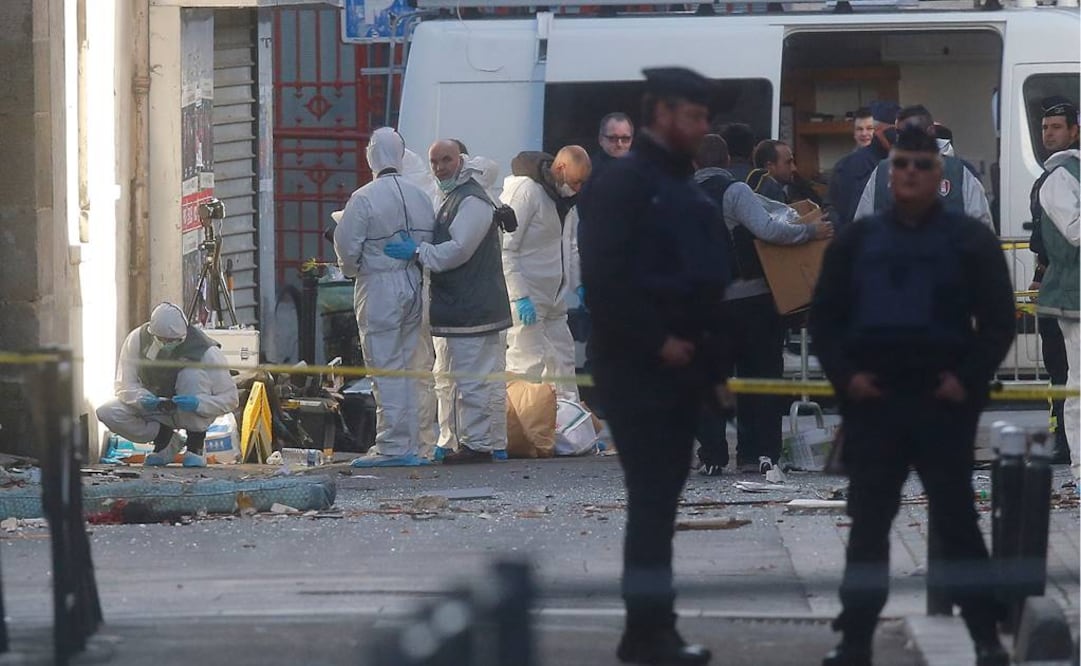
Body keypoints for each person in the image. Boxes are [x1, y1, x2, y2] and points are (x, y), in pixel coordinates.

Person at [809, 125, 1015, 666]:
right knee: (869, 527)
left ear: (939, 174)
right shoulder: (859, 240)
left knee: (958, 525)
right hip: (874, 401)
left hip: (941, 402)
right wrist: (847, 380)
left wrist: (965, 380)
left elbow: (998, 321)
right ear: (890, 169)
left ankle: (987, 641)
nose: (909, 174)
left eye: (921, 166)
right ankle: (854, 641)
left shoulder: (969, 240)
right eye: (900, 164)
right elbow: (825, 319)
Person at [579, 66, 732, 666]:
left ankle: (652, 629)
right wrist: (657, 341)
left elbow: (704, 274)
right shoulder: (623, 183)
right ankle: (648, 632)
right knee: (651, 501)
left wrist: (711, 365)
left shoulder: (676, 182)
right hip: (638, 368)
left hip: (681, 365)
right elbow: (607, 279)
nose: (701, 127)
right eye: (693, 116)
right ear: (664, 114)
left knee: (662, 501)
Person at [693, 134, 833, 475]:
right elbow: (769, 230)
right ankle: (758, 454)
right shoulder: (736, 191)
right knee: (761, 378)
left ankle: (712, 456)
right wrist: (809, 233)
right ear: (728, 161)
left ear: (694, 164)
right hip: (751, 301)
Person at [384, 140, 513, 464]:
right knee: (460, 379)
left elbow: (458, 251)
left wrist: (417, 252)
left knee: (471, 380)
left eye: (446, 160)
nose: (440, 167)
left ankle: (478, 445)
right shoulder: (455, 196)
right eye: (435, 161)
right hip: (462, 307)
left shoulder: (471, 200)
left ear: (461, 160)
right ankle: (466, 442)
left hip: (473, 308)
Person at [333, 127, 437, 467]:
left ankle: (393, 445)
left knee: (385, 366)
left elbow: (347, 247)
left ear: (370, 156)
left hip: (378, 286)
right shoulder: (420, 195)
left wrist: (354, 268)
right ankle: (415, 442)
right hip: (415, 281)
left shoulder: (363, 197)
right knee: (411, 365)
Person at [96, 303, 239, 468]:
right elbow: (123, 384)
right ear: (152, 333)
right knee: (107, 412)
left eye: (173, 341)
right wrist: (140, 398)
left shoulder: (206, 351)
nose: (167, 344)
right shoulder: (137, 340)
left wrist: (199, 403)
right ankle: (165, 440)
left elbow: (230, 399)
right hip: (156, 408)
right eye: (163, 340)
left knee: (190, 374)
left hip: (189, 411)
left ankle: (195, 445)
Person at [501, 146, 591, 402]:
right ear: (561, 169)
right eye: (576, 181)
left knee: (563, 363)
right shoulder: (527, 191)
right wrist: (520, 296)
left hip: (553, 297)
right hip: (528, 296)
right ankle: (521, 434)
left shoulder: (564, 201)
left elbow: (570, 246)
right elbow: (506, 248)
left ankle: (569, 430)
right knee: (526, 365)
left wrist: (578, 284)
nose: (579, 188)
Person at [1029, 97, 1079, 466]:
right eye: (1045, 128)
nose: (1048, 134)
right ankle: (1068, 450)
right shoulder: (1051, 179)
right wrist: (1038, 276)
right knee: (1065, 378)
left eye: (1056, 127)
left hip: (1068, 291)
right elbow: (1057, 239)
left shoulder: (1066, 174)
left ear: (1074, 131)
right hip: (1063, 294)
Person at [854, 105, 993, 227]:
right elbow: (861, 230)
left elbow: (980, 225)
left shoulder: (959, 173)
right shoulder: (881, 173)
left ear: (931, 131)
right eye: (901, 134)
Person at [828, 100, 900, 230]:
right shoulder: (855, 164)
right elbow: (852, 214)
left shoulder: (895, 161)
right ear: (879, 131)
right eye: (895, 132)